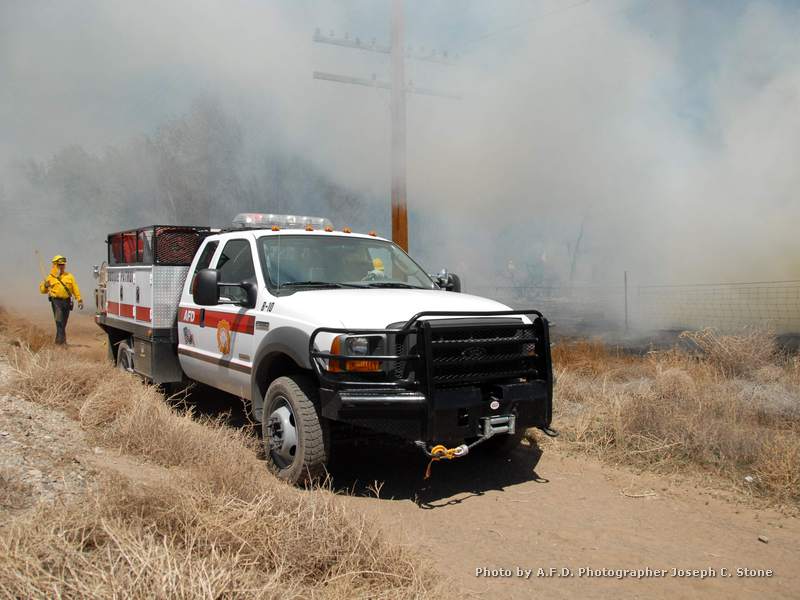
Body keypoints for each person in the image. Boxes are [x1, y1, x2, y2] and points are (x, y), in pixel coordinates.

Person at [39, 255, 83, 345]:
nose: (62, 266)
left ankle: (58, 341)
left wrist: (79, 300)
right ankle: (61, 344)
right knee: (59, 322)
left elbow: (75, 288)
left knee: (63, 323)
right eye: (59, 265)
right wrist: (45, 286)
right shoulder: (50, 278)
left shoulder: (69, 276)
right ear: (54, 265)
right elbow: (42, 290)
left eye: (63, 264)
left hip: (67, 302)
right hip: (56, 302)